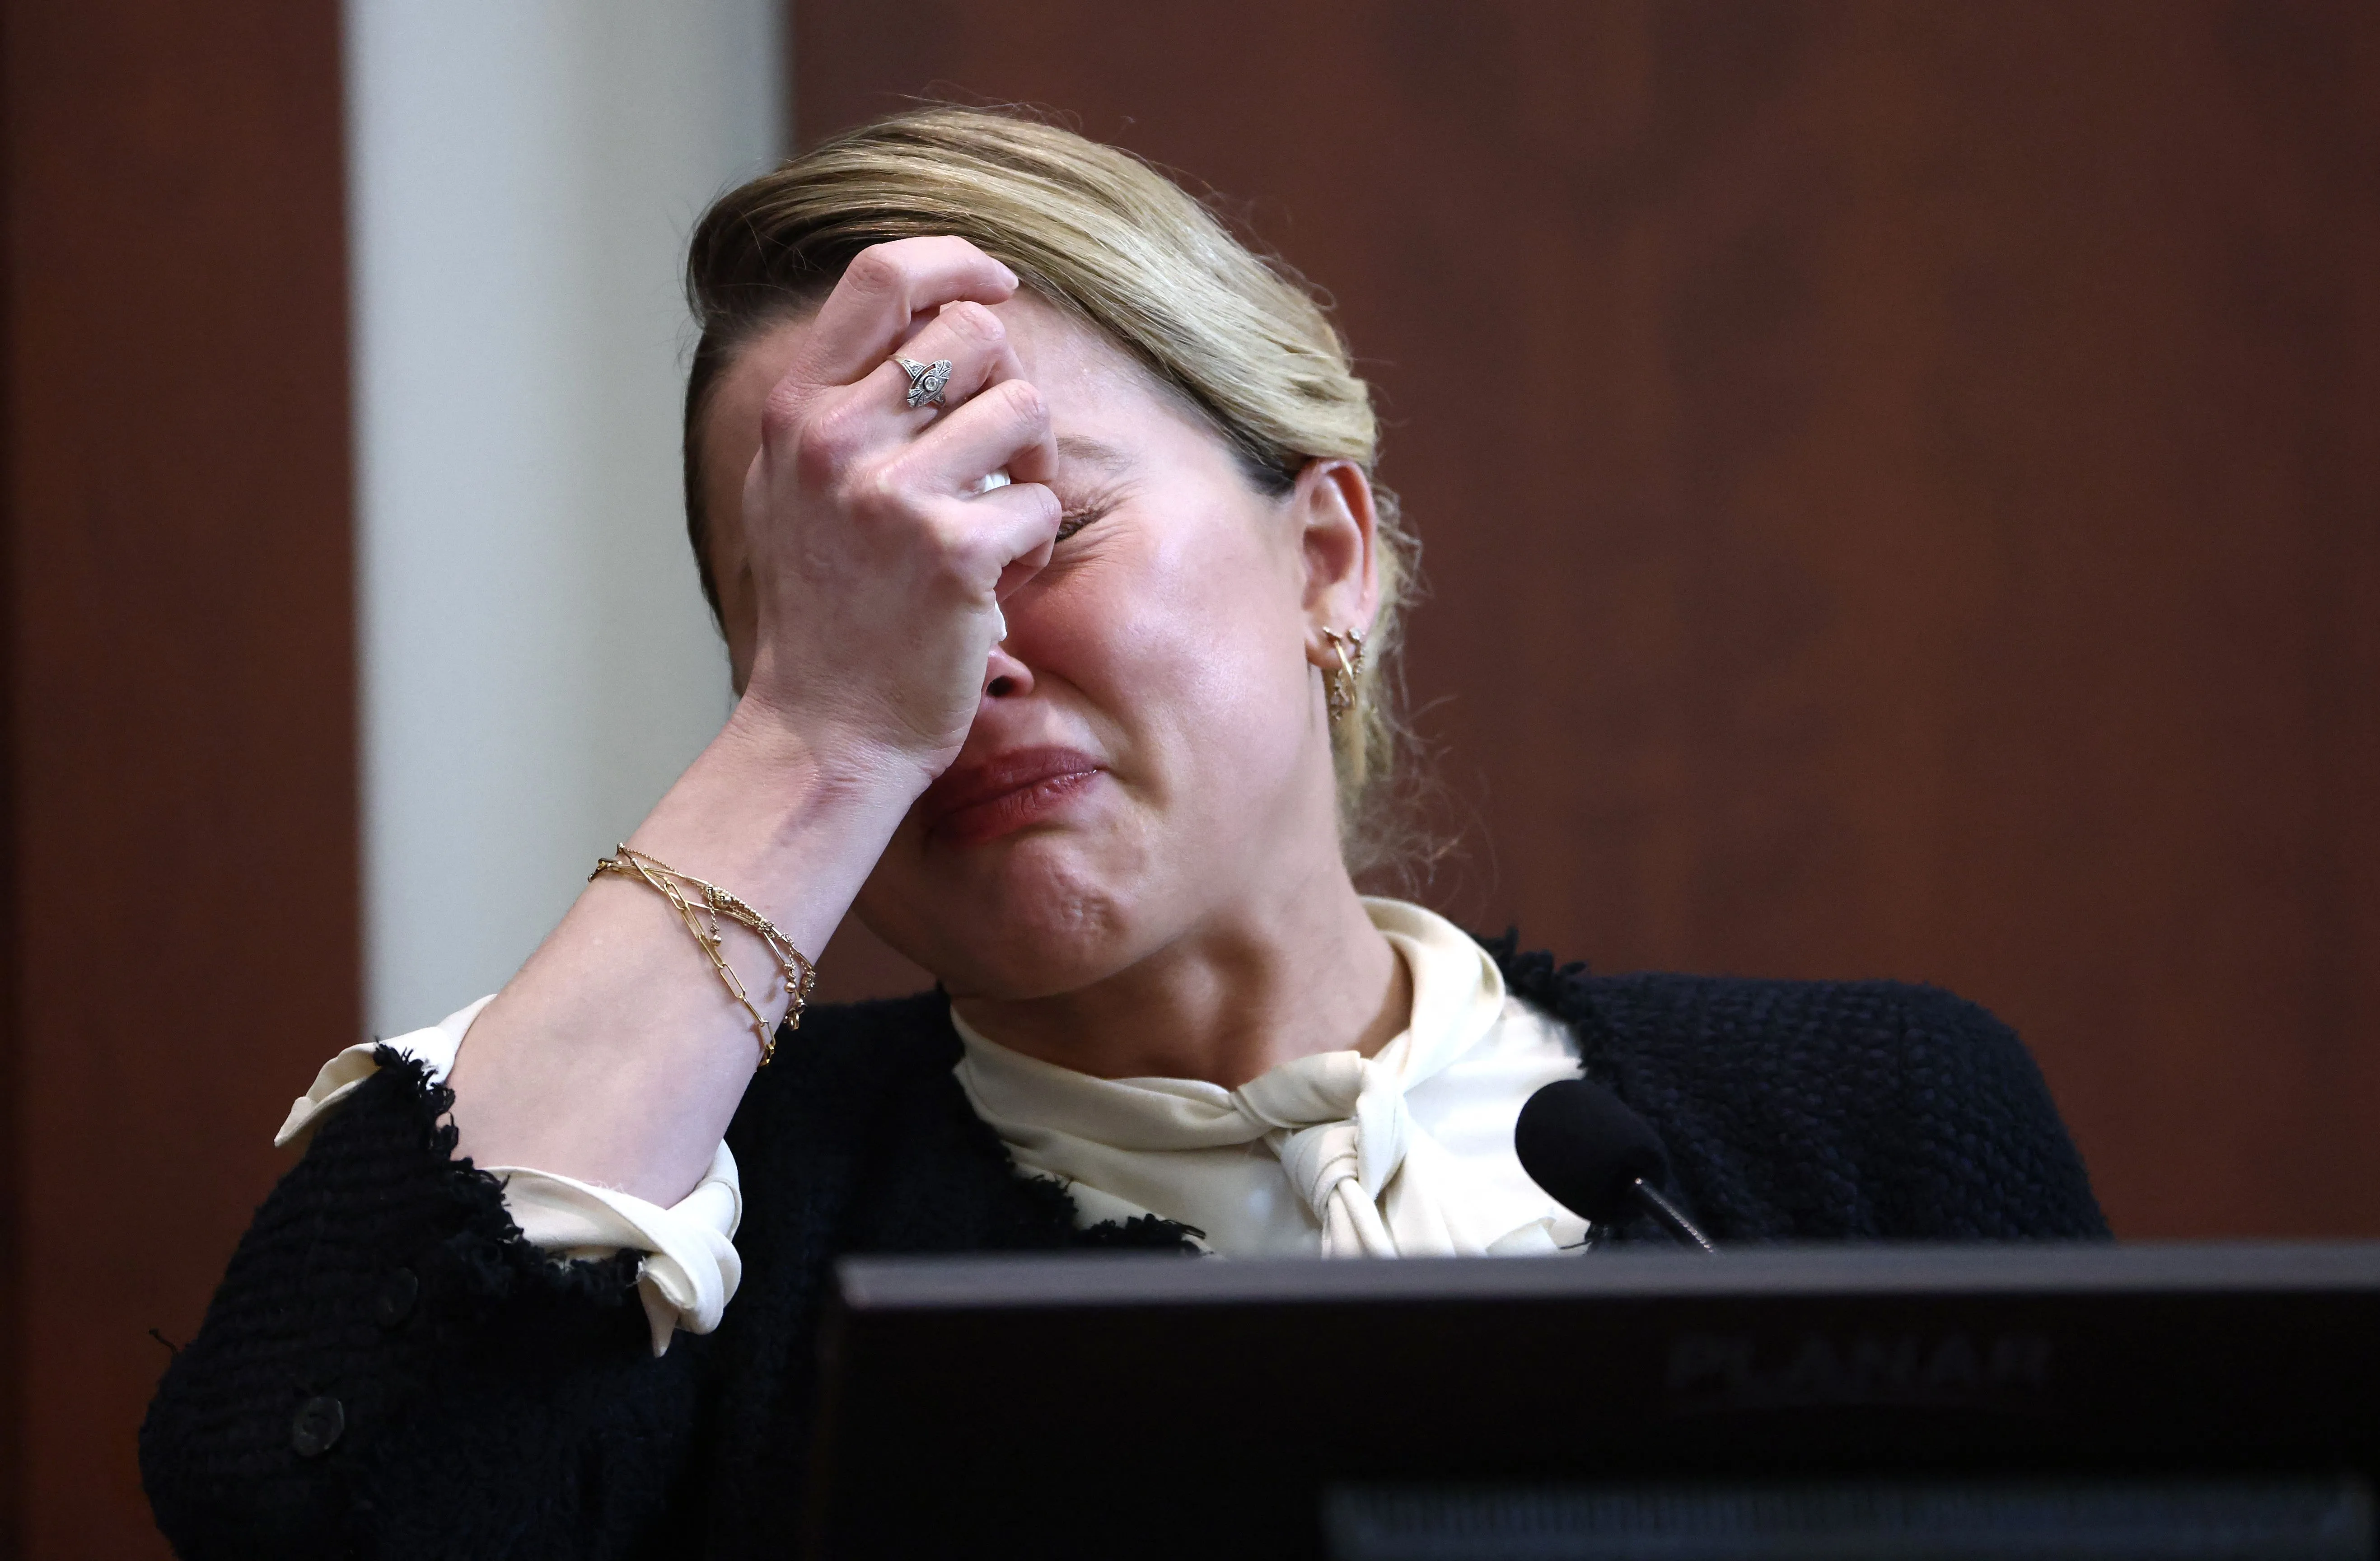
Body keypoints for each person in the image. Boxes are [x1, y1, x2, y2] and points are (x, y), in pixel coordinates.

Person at [140, 107, 2105, 1558]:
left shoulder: (1869, 1126)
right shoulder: (697, 1226)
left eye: (1033, 518)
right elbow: (297, 1502)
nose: (961, 652)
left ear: (1323, 556)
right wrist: (821, 733)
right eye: (847, 588)